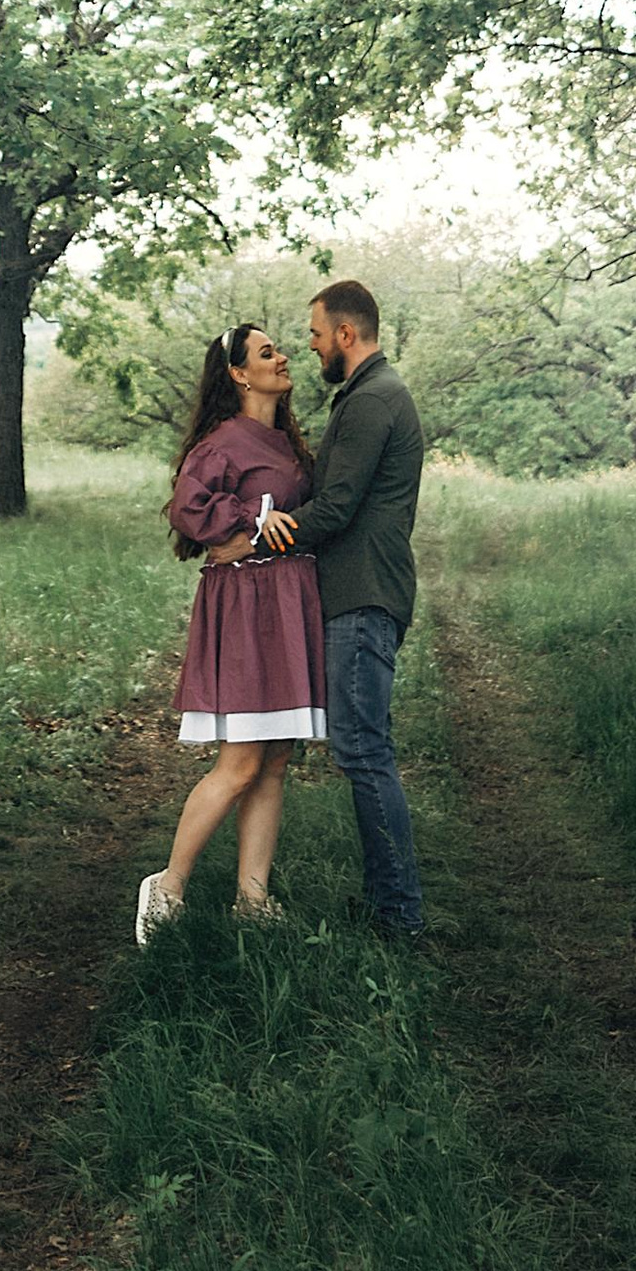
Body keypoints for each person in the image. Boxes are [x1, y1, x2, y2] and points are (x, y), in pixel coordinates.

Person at [137, 321, 328, 943]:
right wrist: (253, 522)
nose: (282, 358)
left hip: (289, 601)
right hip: (247, 607)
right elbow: (189, 509)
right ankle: (166, 889)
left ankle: (253, 899)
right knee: (242, 762)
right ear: (239, 374)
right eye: (267, 353)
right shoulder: (223, 442)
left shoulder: (288, 443)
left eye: (280, 349)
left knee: (275, 761)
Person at [255, 278, 426, 944]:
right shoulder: (373, 395)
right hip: (361, 592)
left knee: (363, 755)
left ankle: (399, 918)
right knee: (363, 753)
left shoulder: (372, 399)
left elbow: (335, 508)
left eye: (318, 334)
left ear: (347, 335)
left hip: (360, 596)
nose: (312, 345)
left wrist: (260, 534)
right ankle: (391, 904)